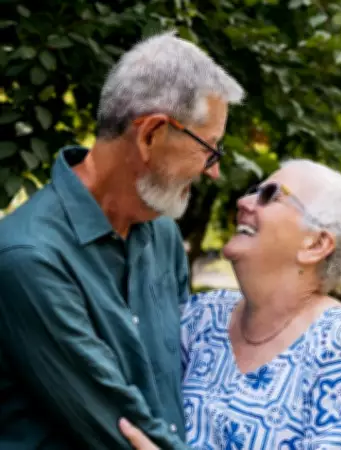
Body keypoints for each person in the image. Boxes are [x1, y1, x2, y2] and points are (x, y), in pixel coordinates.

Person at [0, 32, 243, 448]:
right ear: (151, 134)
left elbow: (183, 382)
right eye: (209, 149)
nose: (213, 171)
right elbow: (122, 431)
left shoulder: (163, 234)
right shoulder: (28, 258)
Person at [118, 160, 341, 449]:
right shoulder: (205, 316)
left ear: (315, 245)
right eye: (252, 191)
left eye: (270, 195)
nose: (243, 202)